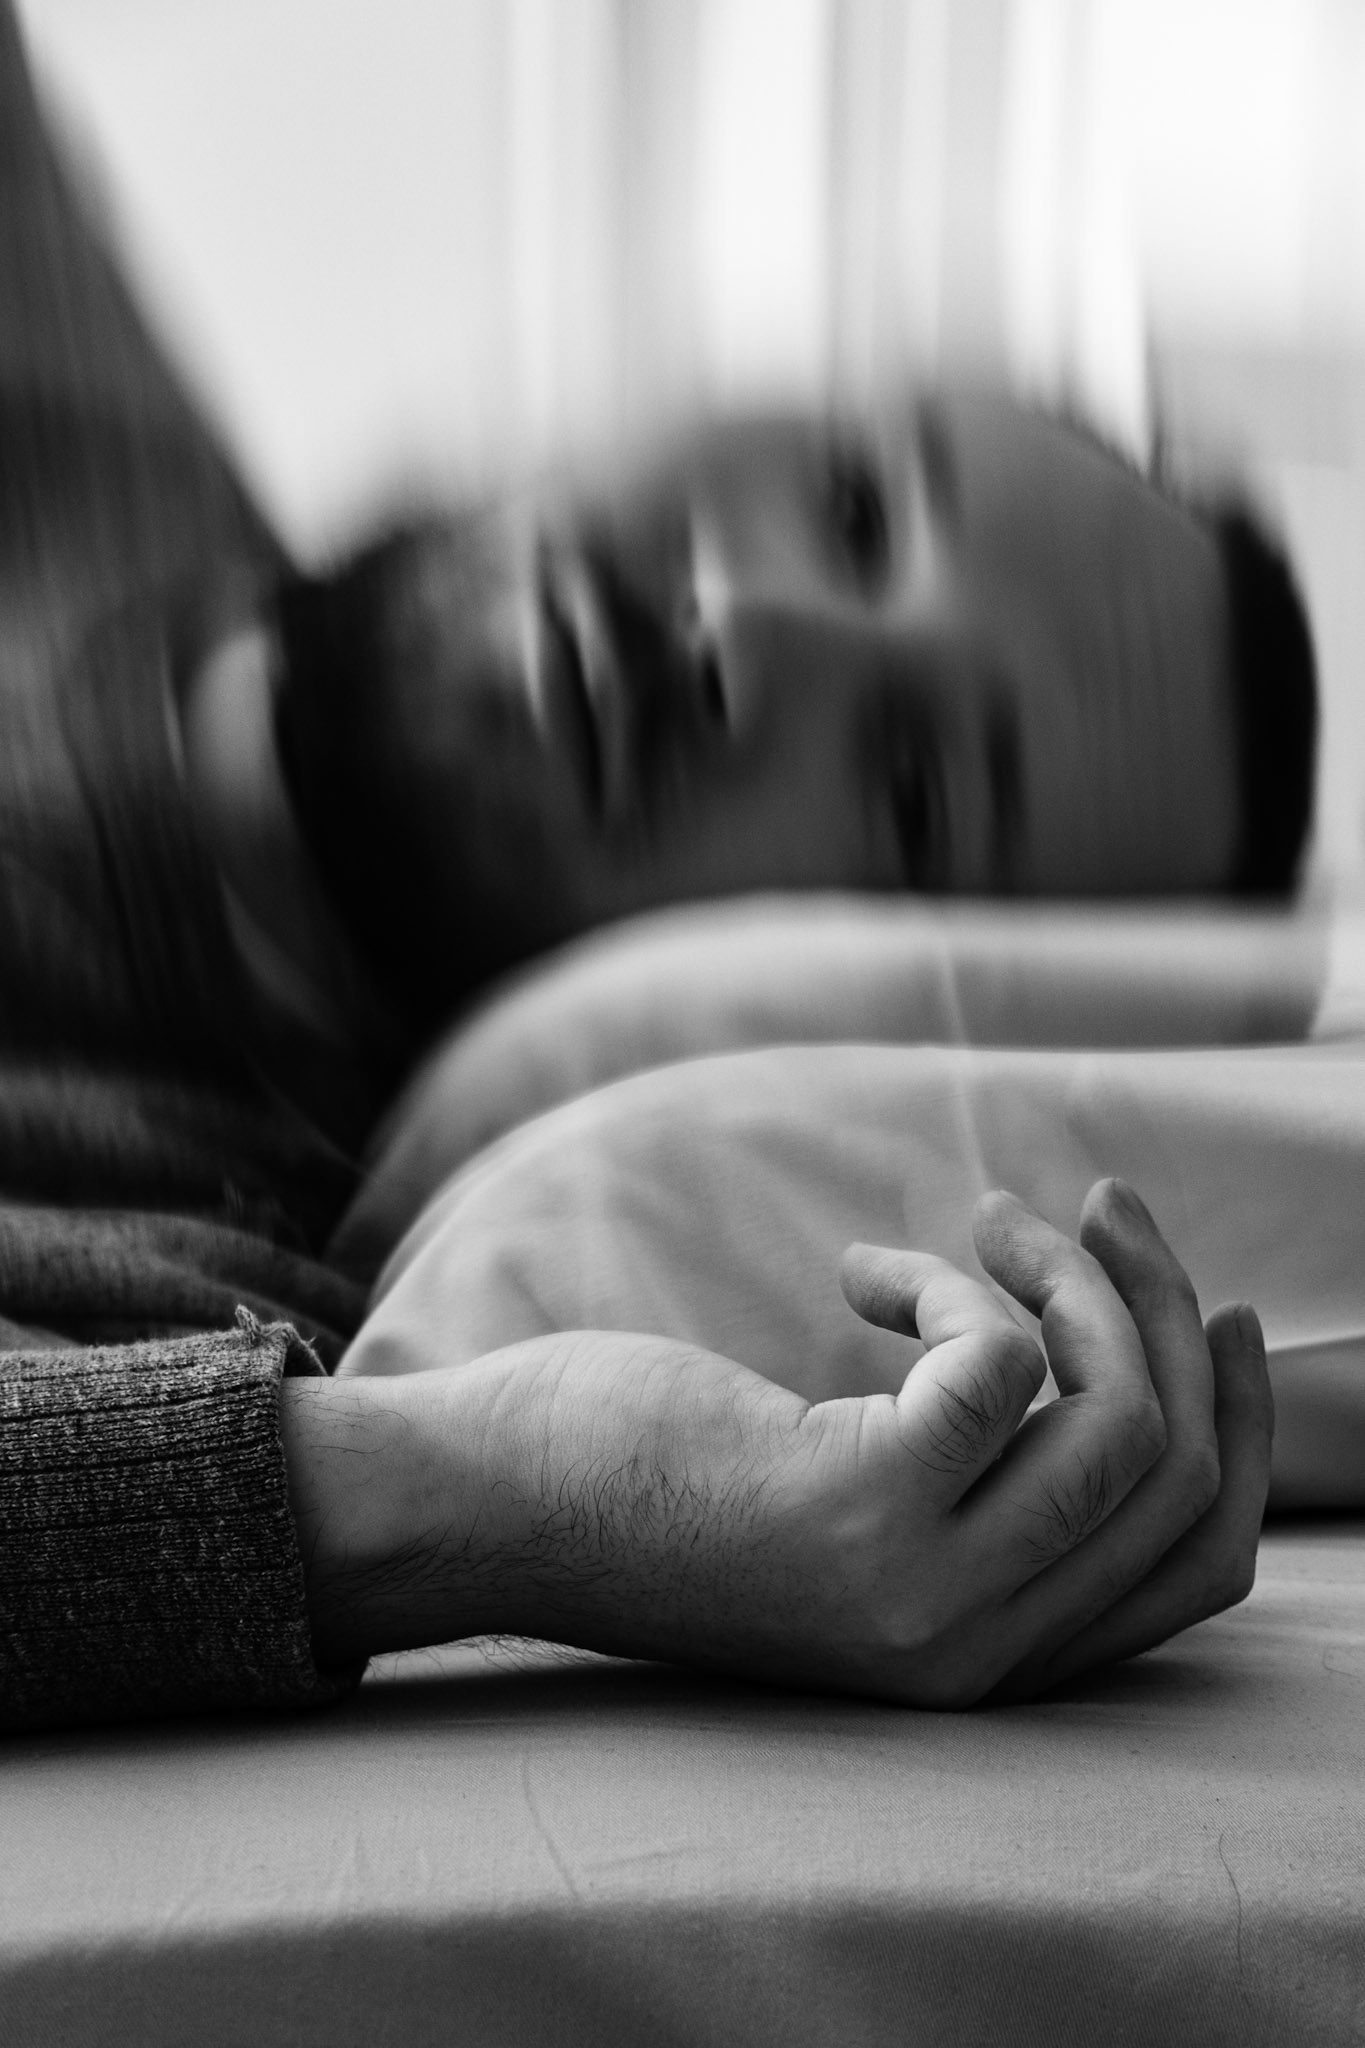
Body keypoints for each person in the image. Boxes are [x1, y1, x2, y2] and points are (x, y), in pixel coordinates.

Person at [0, 2, 1299, 1732]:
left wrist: (508, 1497)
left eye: (911, 787)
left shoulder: (185, 1277)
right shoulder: (63, 390)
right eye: (850, 503)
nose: (748, 626)